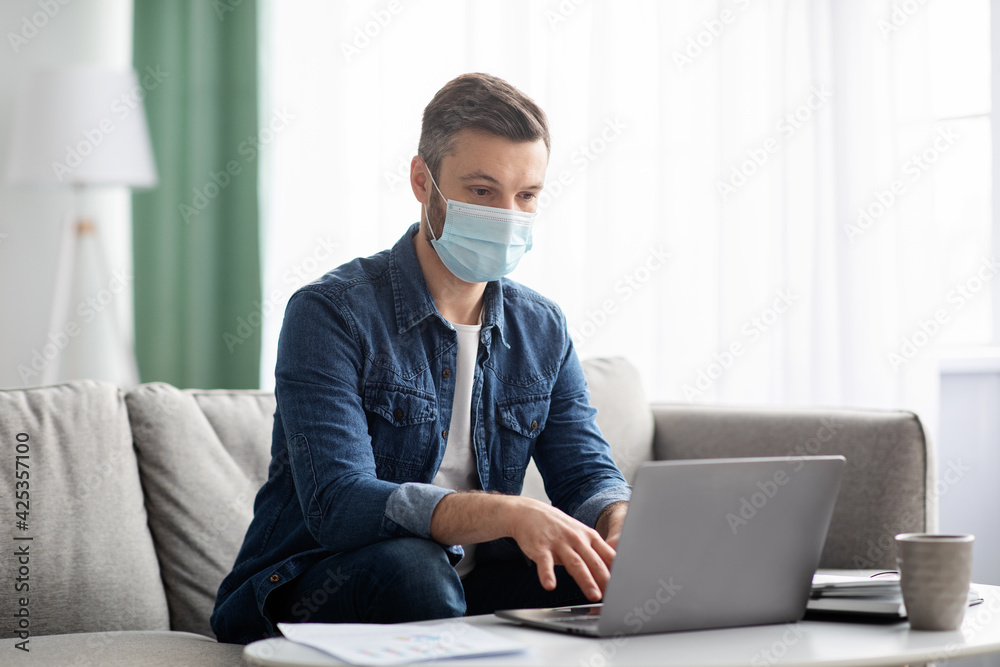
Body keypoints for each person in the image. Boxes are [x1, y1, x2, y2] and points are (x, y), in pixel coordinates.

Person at [211, 73, 631, 645]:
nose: (508, 215)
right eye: (483, 191)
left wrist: (617, 519)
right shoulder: (330, 312)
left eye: (526, 196)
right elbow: (339, 503)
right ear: (421, 180)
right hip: (317, 580)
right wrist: (507, 514)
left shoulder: (542, 327)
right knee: (414, 568)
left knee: (607, 574)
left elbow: (585, 473)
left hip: (465, 586)